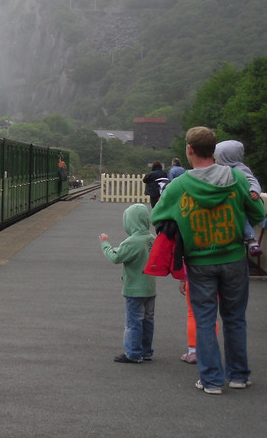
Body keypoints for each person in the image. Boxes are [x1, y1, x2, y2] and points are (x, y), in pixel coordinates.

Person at [151, 126, 266, 394]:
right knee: (235, 318)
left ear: (189, 150)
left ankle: (212, 380)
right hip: (235, 258)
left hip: (199, 261)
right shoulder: (237, 179)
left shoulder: (180, 185)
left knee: (204, 318)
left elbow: (157, 216)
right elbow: (258, 212)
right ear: (213, 150)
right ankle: (238, 375)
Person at [99, 203, 156, 363]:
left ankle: (133, 353)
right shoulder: (151, 239)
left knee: (133, 321)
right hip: (150, 287)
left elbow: (116, 257)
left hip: (134, 289)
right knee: (148, 320)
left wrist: (105, 244)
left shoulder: (132, 242)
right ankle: (146, 351)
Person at [214, 139, 264, 256]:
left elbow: (253, 180)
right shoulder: (223, 170)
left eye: (217, 158)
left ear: (226, 158)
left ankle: (252, 240)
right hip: (231, 203)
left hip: (239, 203)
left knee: (243, 217)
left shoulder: (240, 169)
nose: (215, 160)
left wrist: (254, 190)